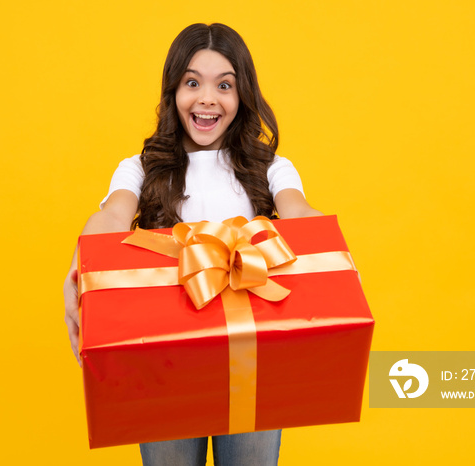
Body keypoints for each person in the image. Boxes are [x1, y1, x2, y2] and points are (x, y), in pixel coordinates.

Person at [63, 23, 322, 466]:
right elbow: (111, 216)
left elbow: (299, 212)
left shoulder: (271, 166)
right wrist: (77, 264)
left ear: (242, 96)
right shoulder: (141, 167)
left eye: (224, 85)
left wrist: (335, 254)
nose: (207, 98)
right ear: (173, 92)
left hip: (253, 358)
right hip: (164, 361)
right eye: (192, 82)